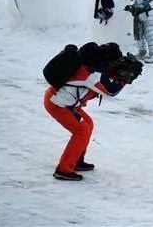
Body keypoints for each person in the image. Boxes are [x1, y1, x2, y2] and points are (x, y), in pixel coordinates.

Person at [43, 42, 141, 181]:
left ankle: (76, 160)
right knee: (81, 130)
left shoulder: (90, 65)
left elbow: (104, 77)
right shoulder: (90, 74)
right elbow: (110, 91)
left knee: (88, 123)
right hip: (57, 104)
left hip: (64, 102)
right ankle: (64, 169)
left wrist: (118, 72)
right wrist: (124, 78)